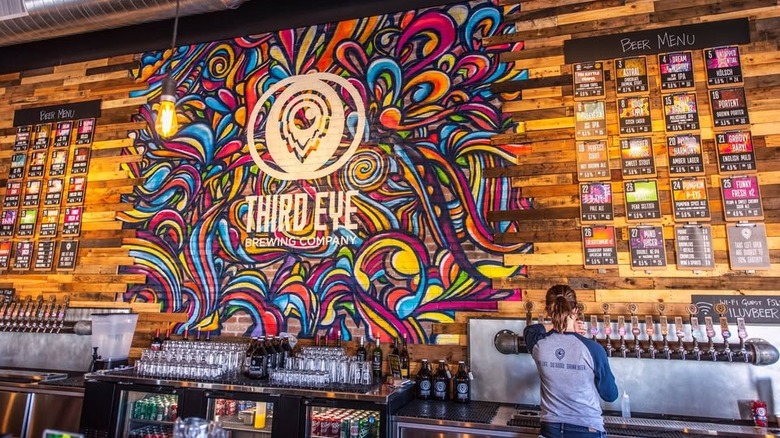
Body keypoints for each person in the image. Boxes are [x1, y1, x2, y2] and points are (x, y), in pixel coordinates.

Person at [523, 285, 618, 438]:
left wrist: (556, 324)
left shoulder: (538, 345)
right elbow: (610, 395)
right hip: (588, 430)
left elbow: (530, 330)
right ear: (575, 311)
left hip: (549, 429)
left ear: (548, 311)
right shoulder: (593, 349)